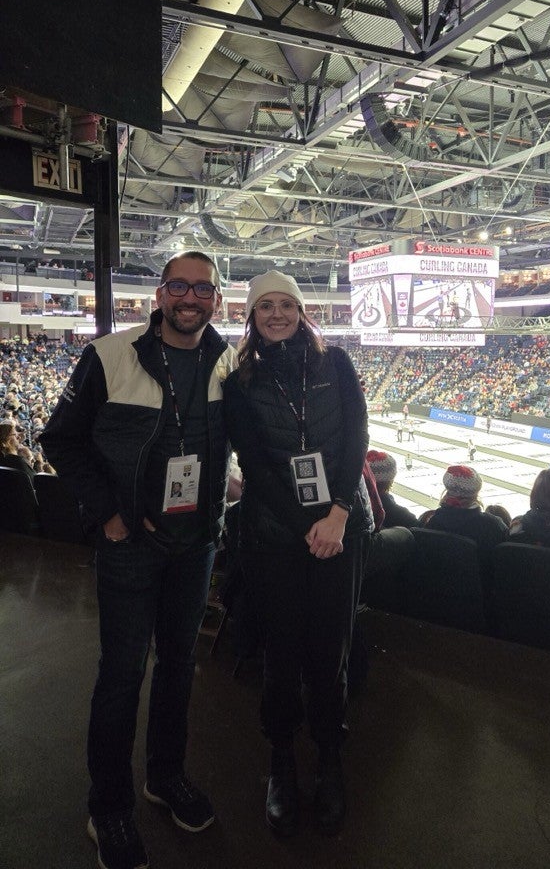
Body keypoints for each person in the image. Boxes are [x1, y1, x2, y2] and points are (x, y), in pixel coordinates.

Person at [39, 251, 236, 869]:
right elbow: (60, 439)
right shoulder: (109, 355)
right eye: (179, 286)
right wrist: (109, 515)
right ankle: (110, 806)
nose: (190, 298)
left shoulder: (228, 361)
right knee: (122, 677)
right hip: (130, 547)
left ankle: (165, 776)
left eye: (203, 289)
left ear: (216, 299)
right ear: (159, 293)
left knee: (179, 667)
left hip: (196, 543)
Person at [223, 270, 374, 838]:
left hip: (341, 527)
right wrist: (304, 526)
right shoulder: (241, 382)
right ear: (252, 315)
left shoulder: (336, 363)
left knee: (329, 651)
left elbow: (356, 435)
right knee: (281, 652)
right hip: (275, 535)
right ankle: (281, 760)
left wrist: (336, 513)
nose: (278, 313)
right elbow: (255, 466)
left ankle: (329, 757)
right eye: (267, 306)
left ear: (302, 311)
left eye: (287, 304)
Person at [427, 465, 510, 590]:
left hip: (437, 596)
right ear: (475, 494)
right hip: (480, 601)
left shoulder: (431, 523)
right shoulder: (492, 526)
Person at [0, 417, 36, 487]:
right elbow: (36, 484)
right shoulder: (17, 462)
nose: (19, 438)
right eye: (15, 435)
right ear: (6, 441)